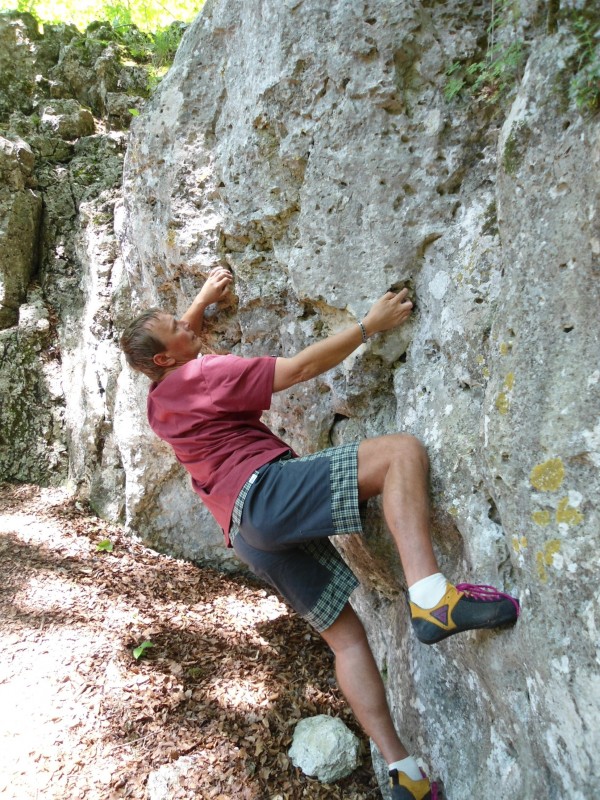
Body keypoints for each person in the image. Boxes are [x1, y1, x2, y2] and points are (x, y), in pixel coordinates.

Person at [120, 267, 519, 800]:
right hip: (262, 492)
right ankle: (432, 598)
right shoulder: (201, 373)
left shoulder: (158, 401)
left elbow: (171, 349)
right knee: (400, 453)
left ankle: (406, 775)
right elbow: (299, 368)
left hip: (246, 536)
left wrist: (196, 307)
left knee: (348, 640)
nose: (188, 323)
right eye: (179, 325)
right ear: (166, 358)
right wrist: (367, 326)